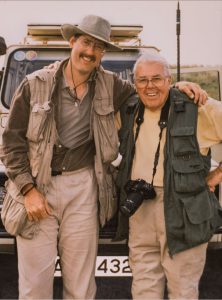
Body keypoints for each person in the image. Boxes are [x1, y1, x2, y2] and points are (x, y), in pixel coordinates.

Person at [1, 15, 207, 299]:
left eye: (99, 47)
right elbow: (10, 143)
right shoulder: (34, 84)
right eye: (86, 42)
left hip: (84, 187)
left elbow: (150, 92)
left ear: (103, 53)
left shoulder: (112, 85)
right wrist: (27, 189)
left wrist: (180, 88)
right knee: (34, 286)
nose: (90, 51)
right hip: (39, 186)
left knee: (82, 285)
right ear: (72, 41)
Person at [115, 52, 222, 299]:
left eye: (157, 79)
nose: (149, 86)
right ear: (134, 83)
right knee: (143, 288)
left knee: (183, 290)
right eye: (142, 80)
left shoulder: (197, 107)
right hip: (141, 208)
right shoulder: (129, 109)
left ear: (169, 79)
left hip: (185, 210)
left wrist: (217, 175)